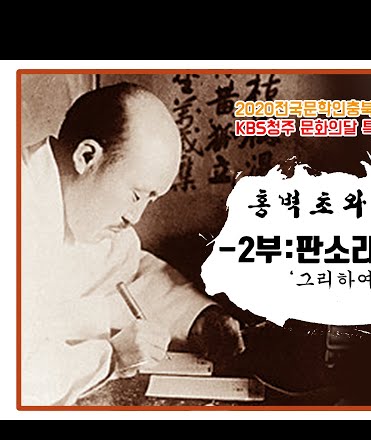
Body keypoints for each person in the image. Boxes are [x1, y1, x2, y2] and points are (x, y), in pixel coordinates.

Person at [21, 82, 245, 406]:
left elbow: (131, 271)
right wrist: (112, 358)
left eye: (149, 200)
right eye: (136, 195)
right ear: (87, 157)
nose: (135, 217)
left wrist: (200, 318)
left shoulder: (82, 208)